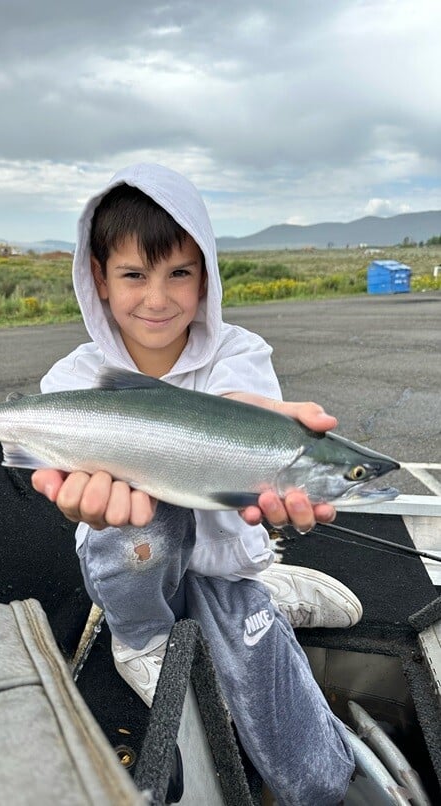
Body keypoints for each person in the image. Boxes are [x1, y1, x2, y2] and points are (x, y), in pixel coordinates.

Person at [31, 163, 356, 804]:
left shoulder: (241, 354)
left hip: (222, 563)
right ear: (97, 277)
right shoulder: (72, 377)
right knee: (139, 510)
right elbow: (66, 475)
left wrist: (240, 424)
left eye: (179, 272)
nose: (158, 299)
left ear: (206, 272)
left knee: (313, 774)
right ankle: (142, 638)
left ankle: (257, 592)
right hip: (137, 563)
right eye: (133, 275)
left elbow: (246, 408)